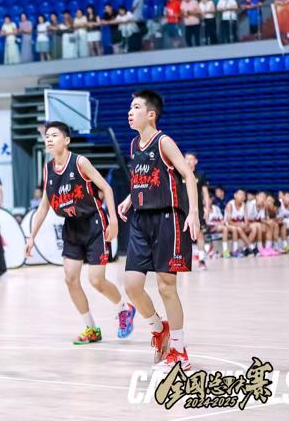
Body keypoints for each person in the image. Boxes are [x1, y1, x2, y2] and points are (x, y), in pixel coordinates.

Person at [26, 122, 133, 344]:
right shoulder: (47, 169)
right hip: (72, 227)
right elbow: (44, 207)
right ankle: (91, 328)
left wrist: (113, 220)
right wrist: (32, 236)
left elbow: (106, 188)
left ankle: (124, 308)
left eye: (54, 135)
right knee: (70, 279)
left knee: (96, 280)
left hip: (94, 223)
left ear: (66, 140)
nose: (49, 139)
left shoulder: (80, 162)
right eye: (47, 136)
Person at [117, 90, 200, 369]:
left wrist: (193, 212)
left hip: (167, 218)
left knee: (166, 287)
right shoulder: (134, 145)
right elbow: (144, 178)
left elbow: (188, 175)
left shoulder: (163, 141)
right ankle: (158, 327)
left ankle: (179, 351)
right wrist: (130, 198)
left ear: (150, 114)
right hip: (140, 220)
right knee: (132, 286)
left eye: (136, 107)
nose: (130, 112)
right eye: (130, 107)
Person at [183, 152, 211, 269]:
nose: (189, 161)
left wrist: (207, 209)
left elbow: (205, 193)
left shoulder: (200, 175)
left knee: (199, 233)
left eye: (191, 159)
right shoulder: (180, 173)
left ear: (196, 161)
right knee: (183, 235)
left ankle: (201, 260)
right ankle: (184, 260)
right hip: (182, 208)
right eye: (186, 159)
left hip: (196, 209)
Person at [223, 189, 250, 259]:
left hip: (238, 224)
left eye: (243, 195)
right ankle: (230, 251)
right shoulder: (230, 205)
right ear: (235, 195)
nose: (242, 197)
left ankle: (245, 248)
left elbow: (246, 220)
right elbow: (229, 221)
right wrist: (240, 225)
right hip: (228, 224)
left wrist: (245, 225)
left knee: (251, 228)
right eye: (240, 195)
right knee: (236, 229)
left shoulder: (244, 205)